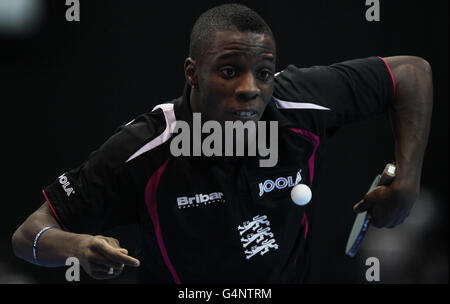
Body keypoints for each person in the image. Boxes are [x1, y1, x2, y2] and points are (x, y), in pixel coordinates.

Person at [12, 4, 433, 283]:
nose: (251, 89)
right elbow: (29, 235)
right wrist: (80, 246)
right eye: (230, 72)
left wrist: (407, 184)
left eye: (264, 73)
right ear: (193, 72)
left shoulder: (302, 103)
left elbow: (412, 74)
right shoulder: (145, 147)